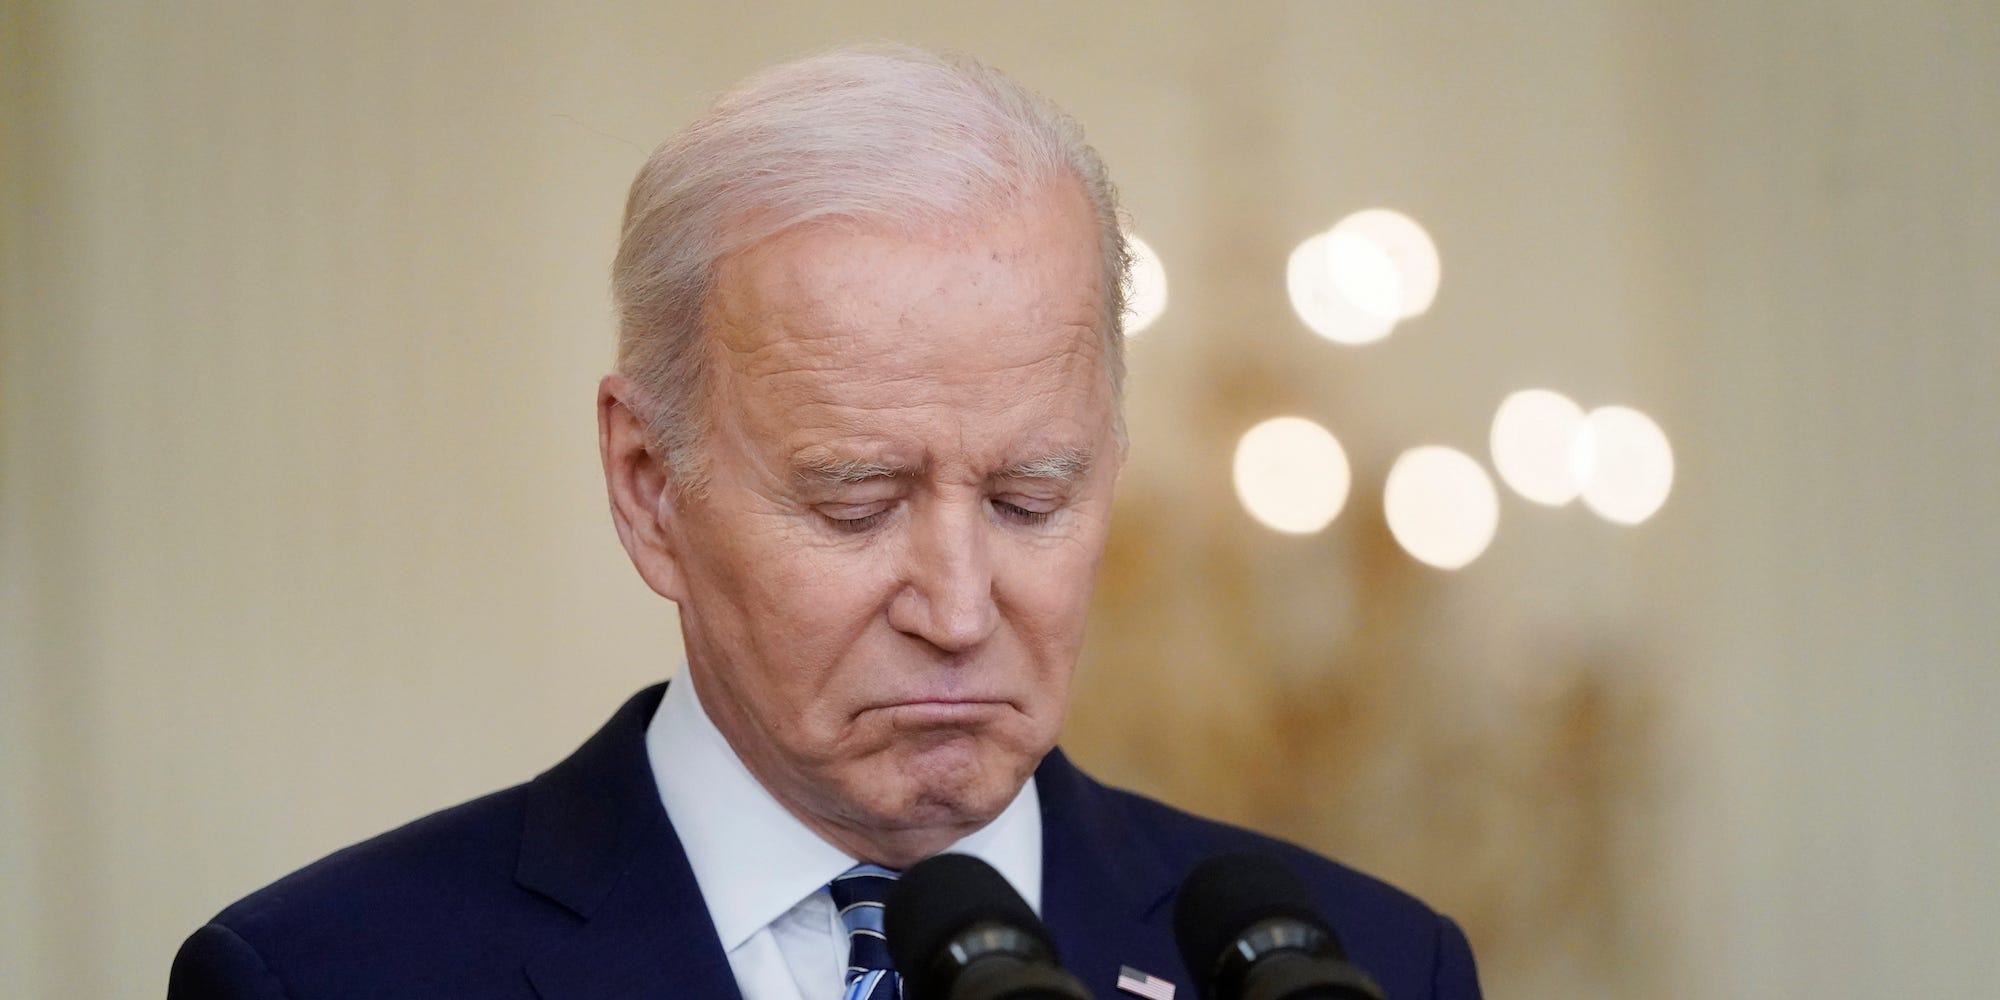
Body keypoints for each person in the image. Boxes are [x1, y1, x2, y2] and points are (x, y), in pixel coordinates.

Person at [167, 45, 1481, 1000]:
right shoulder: (329, 975)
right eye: (855, 502)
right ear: (647, 485)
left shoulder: (1365, 970)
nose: (960, 610)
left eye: (1031, 498)